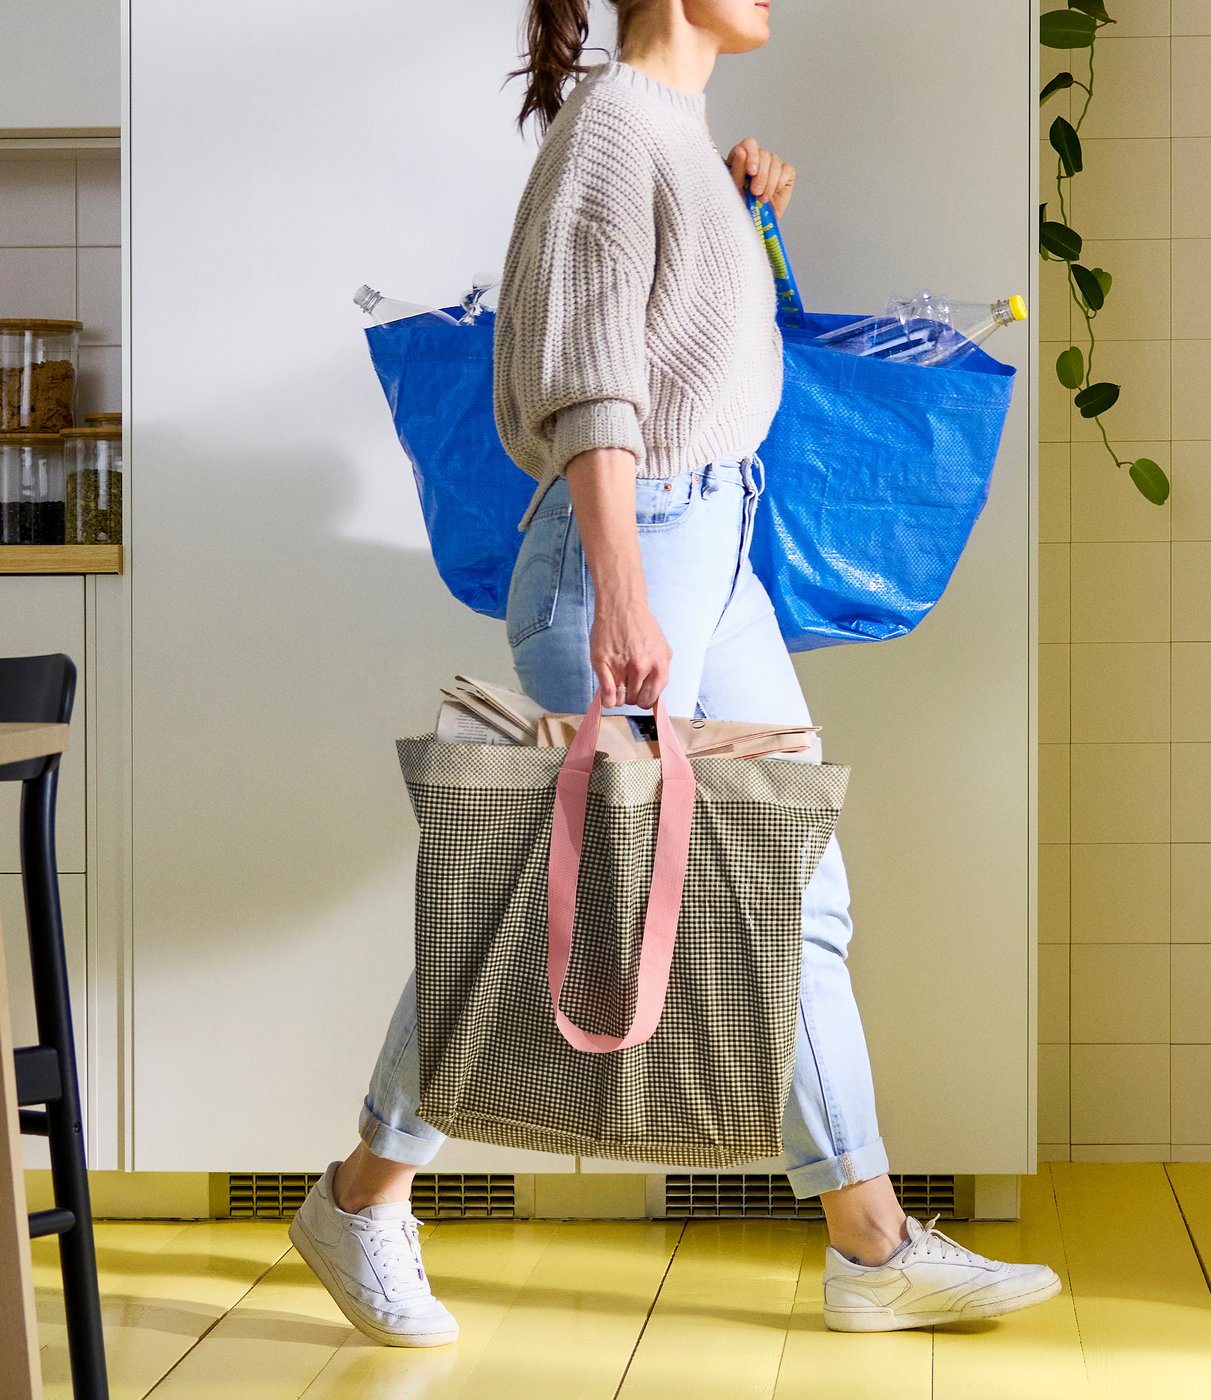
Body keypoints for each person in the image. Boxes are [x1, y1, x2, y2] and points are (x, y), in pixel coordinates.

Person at [290, 0, 1062, 1347]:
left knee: (800, 882)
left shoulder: (672, 140)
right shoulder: (612, 131)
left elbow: (688, 354)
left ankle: (868, 1243)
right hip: (627, 556)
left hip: (718, 553)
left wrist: (739, 215)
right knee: (549, 910)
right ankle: (364, 1196)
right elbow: (592, 382)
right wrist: (628, 597)